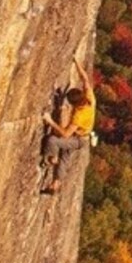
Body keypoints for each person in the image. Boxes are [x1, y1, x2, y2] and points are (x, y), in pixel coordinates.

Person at [42, 56, 96, 193]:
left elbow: (66, 134)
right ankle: (55, 185)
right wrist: (76, 62)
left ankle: (51, 158)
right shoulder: (89, 98)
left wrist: (50, 121)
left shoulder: (79, 115)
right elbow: (85, 78)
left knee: (53, 141)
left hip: (78, 140)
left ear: (74, 104)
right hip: (84, 137)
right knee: (65, 158)